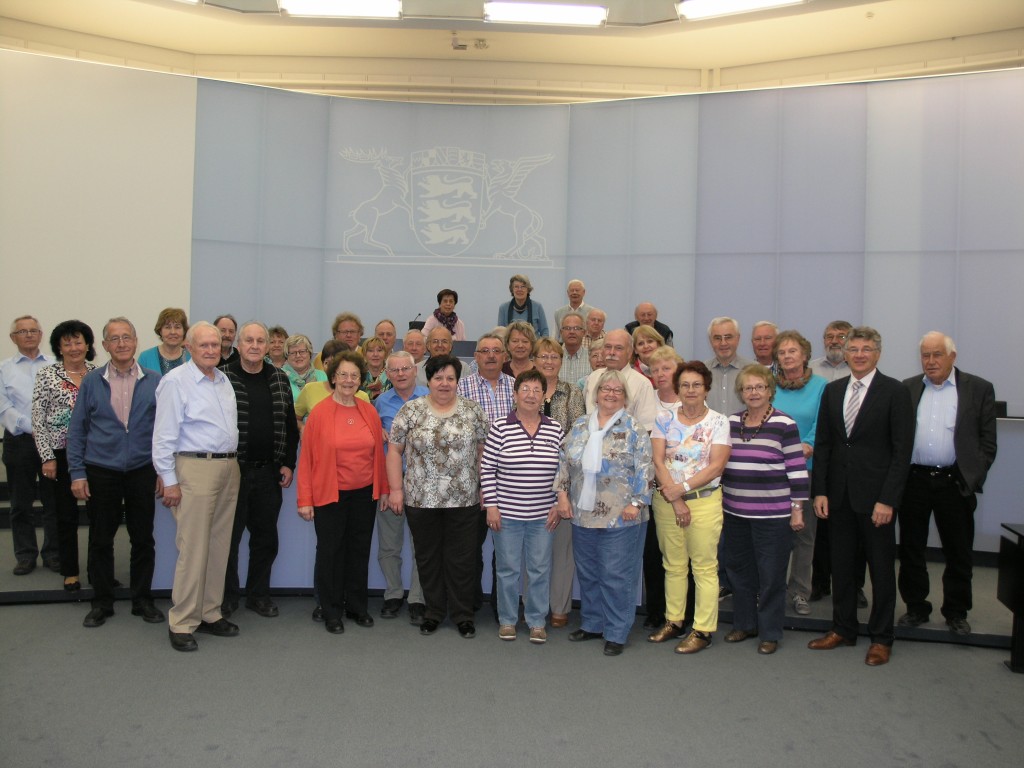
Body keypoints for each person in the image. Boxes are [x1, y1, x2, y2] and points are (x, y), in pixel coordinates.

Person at [808, 326, 914, 666]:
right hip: (838, 496)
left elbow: (901, 452)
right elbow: (824, 444)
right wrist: (820, 490)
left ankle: (882, 638)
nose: (858, 354)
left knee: (881, 570)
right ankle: (843, 629)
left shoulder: (895, 392)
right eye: (853, 348)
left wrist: (889, 500)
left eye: (866, 349)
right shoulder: (833, 390)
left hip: (876, 500)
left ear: (878, 353)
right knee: (842, 567)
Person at [897, 332, 997, 637]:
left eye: (937, 354)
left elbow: (987, 443)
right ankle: (916, 607)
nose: (930, 361)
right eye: (925, 355)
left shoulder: (978, 388)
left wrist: (972, 477)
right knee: (912, 547)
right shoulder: (909, 388)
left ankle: (956, 611)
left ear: (952, 356)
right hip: (914, 480)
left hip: (954, 482)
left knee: (958, 550)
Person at [67, 317, 164, 628]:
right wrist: (77, 473)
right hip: (101, 470)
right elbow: (77, 430)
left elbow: (165, 431)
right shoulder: (92, 382)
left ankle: (142, 600)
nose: (122, 343)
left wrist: (164, 471)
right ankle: (102, 601)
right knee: (100, 538)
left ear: (136, 342)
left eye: (127, 337)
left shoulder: (155, 380)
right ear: (105, 346)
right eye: (114, 339)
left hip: (141, 469)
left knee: (143, 538)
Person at [152, 321, 241, 652]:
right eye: (203, 345)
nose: (211, 351)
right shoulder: (175, 382)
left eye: (215, 345)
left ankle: (209, 612)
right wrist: (170, 481)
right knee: (193, 548)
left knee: (219, 545)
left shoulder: (223, 380)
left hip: (228, 467)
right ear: (188, 348)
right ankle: (182, 621)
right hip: (194, 468)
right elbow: (162, 437)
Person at [386, 355, 489, 638]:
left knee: (462, 559)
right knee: (428, 558)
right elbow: (394, 451)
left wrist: (485, 488)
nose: (444, 383)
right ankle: (433, 612)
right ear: (428, 380)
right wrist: (396, 489)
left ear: (458, 381)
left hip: (465, 499)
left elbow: (484, 452)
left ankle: (462, 615)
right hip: (420, 499)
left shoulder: (473, 411)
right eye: (438, 378)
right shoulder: (410, 410)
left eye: (450, 378)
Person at [554, 368, 654, 657]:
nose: (610, 394)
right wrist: (561, 494)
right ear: (595, 394)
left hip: (622, 515)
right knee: (588, 572)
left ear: (624, 397)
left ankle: (616, 631)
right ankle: (593, 623)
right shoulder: (581, 425)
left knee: (616, 574)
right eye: (605, 389)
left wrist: (637, 503)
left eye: (617, 390)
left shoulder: (633, 428)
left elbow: (646, 468)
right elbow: (564, 461)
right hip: (583, 513)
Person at [297, 350, 389, 635]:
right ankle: (332, 610)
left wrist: (383, 489)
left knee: (359, 551)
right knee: (331, 552)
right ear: (333, 378)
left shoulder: (368, 410)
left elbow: (378, 456)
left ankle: (357, 607)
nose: (349, 380)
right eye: (343, 375)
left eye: (354, 375)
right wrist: (305, 499)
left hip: (364, 494)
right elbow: (307, 460)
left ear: (360, 380)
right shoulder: (320, 414)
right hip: (330, 494)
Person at [721, 364, 809, 655]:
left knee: (771, 575)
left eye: (760, 387)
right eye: (748, 387)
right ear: (741, 393)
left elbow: (797, 470)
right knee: (739, 571)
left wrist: (797, 510)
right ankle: (744, 624)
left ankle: (770, 631)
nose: (754, 392)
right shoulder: (730, 422)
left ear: (770, 391)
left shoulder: (785, 424)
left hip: (773, 514)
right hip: (734, 511)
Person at [220, 321, 299, 619]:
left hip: (268, 472)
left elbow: (290, 426)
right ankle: (228, 597)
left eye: (260, 341)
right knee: (229, 538)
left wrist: (288, 463)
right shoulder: (222, 377)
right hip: (231, 471)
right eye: (248, 340)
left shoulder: (279, 378)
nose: (254, 346)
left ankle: (258, 595)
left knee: (265, 539)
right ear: (239, 344)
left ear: (268, 347)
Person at [649, 361, 730, 653]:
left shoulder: (718, 422)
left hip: (704, 503)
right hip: (667, 504)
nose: (691, 390)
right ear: (677, 388)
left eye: (697, 384)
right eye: (685, 385)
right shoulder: (663, 418)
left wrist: (681, 490)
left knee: (705, 567)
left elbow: (717, 465)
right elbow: (658, 461)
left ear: (706, 388)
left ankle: (703, 630)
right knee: (673, 565)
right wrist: (675, 499)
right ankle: (675, 621)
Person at [482, 369, 563, 643]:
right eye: (524, 389)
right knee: (507, 569)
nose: (530, 395)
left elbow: (563, 471)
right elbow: (487, 469)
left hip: (544, 515)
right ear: (515, 395)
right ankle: (507, 620)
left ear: (544, 396)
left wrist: (557, 504)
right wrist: (491, 506)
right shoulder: (499, 427)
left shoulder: (555, 428)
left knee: (540, 569)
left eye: (536, 390)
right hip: (507, 514)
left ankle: (537, 621)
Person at [32, 319, 97, 591]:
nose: (73, 347)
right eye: (67, 342)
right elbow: (38, 419)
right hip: (60, 455)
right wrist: (47, 457)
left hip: (96, 454)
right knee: (66, 515)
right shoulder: (47, 375)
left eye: (78, 341)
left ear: (88, 344)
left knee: (99, 515)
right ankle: (70, 571)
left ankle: (98, 571)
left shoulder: (99, 373)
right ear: (59, 347)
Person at [458, 334, 516, 618]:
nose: (491, 355)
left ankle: (501, 605)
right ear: (476, 357)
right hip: (471, 478)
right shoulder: (461, 387)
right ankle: (469, 602)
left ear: (505, 356)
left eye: (496, 351)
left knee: (505, 549)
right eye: (485, 351)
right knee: (469, 544)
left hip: (509, 480)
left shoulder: (518, 389)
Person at [771, 330, 827, 616]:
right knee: (773, 534)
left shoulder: (821, 386)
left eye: (793, 351)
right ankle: (771, 590)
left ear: (805, 355)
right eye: (782, 352)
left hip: (805, 469)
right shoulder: (770, 385)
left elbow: (823, 423)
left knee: (804, 534)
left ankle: (800, 592)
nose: (787, 356)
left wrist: (809, 444)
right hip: (772, 471)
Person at [533, 336, 586, 628]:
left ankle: (560, 607)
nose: (548, 362)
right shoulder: (527, 389)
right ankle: (533, 606)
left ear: (561, 362)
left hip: (566, 480)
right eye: (543, 357)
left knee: (562, 549)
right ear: (534, 360)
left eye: (554, 357)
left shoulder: (572, 392)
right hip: (531, 481)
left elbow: (578, 435)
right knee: (535, 549)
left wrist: (562, 479)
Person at [1, 315, 58, 575]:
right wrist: (32, 427)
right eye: (22, 331)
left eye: (33, 330)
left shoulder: (56, 365)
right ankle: (25, 555)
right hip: (20, 442)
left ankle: (53, 553)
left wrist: (47, 430)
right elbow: (4, 408)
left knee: (53, 501)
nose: (28, 335)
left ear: (41, 334)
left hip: (54, 442)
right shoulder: (4, 369)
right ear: (13, 338)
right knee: (20, 504)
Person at [374, 351, 428, 624]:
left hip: (424, 487)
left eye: (405, 368)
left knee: (422, 546)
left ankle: (418, 598)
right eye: (394, 370)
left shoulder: (431, 398)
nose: (400, 374)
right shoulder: (379, 403)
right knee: (389, 545)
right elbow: (375, 450)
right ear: (387, 373)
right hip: (390, 484)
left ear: (415, 370)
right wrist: (384, 487)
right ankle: (393, 594)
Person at [582, 329, 657, 432]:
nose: (612, 352)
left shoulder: (642, 384)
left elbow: (647, 429)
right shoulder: (593, 378)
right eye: (608, 347)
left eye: (618, 348)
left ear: (629, 353)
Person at [704, 316, 753, 417]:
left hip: (744, 432)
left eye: (728, 337)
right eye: (717, 338)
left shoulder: (754, 370)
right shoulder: (701, 372)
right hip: (710, 432)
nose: (723, 343)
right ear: (710, 341)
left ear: (738, 338)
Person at [137, 307, 190, 376]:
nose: (173, 332)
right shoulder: (145, 358)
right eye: (167, 327)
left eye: (177, 327)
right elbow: (139, 385)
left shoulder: (192, 358)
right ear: (160, 331)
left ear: (184, 331)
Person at [497, 274, 548, 338]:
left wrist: (540, 346)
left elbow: (545, 332)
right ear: (512, 289)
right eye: (516, 287)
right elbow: (500, 333)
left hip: (534, 346)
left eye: (523, 286)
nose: (519, 289)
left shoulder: (537, 307)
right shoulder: (503, 308)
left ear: (528, 290)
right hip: (511, 347)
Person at [282, 334, 326, 403]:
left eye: (302, 351)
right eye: (293, 353)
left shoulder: (324, 376)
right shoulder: (279, 377)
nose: (298, 356)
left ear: (310, 353)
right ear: (287, 356)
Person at [557, 312, 591, 386]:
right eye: (567, 328)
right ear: (561, 332)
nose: (572, 332)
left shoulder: (591, 358)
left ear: (584, 332)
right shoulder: (553, 358)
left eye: (576, 328)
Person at [359, 336, 391, 401]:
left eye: (379, 350)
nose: (375, 354)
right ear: (364, 354)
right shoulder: (358, 374)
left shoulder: (392, 373)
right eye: (370, 351)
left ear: (385, 354)